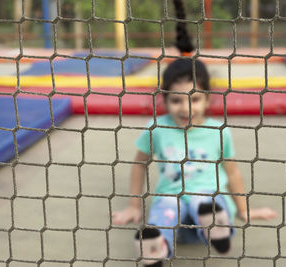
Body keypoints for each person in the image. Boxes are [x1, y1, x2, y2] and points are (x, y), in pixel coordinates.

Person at [112, 1, 277, 266]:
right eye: (176, 100)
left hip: (210, 199)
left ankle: (216, 229)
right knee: (164, 213)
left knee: (207, 203)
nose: (185, 108)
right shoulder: (157, 127)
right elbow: (139, 164)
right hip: (172, 203)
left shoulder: (218, 130)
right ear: (164, 100)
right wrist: (133, 206)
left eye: (195, 99)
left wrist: (245, 210)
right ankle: (156, 247)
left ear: (208, 99)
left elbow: (232, 171)